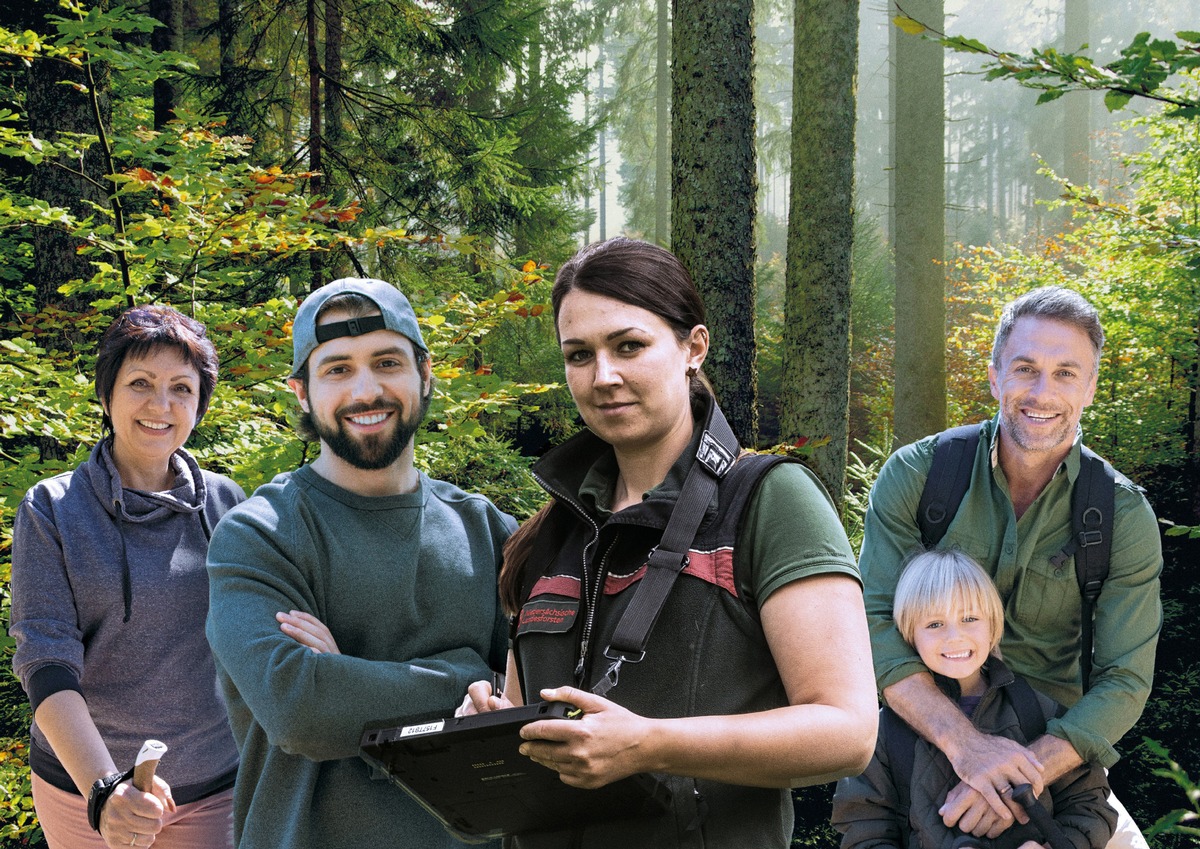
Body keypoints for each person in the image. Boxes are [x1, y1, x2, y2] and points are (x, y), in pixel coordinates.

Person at [460, 237, 879, 848]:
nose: (604, 376)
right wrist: (493, 729)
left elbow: (847, 731)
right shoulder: (550, 532)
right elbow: (536, 723)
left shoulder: (767, 500)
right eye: (579, 355)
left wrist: (650, 745)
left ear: (693, 346)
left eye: (629, 345)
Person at [204, 278, 514, 849]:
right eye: (337, 369)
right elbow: (301, 708)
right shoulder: (259, 536)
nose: (366, 390)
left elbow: (534, 707)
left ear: (425, 372)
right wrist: (468, 676)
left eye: (387, 361)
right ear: (301, 391)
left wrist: (351, 679)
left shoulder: (488, 532)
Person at [858, 286, 1161, 847]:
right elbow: (873, 623)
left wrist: (1023, 772)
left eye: (1067, 373)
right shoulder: (919, 477)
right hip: (917, 752)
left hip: (1060, 767)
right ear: (996, 377)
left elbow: (1125, 678)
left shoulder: (1122, 514)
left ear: (1091, 387)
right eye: (1025, 368)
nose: (1043, 392)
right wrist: (967, 747)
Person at [10, 305, 245, 849]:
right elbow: (44, 662)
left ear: (199, 406)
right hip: (82, 791)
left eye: (181, 389)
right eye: (140, 382)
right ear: (107, 395)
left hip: (213, 790)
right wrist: (103, 790)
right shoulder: (53, 508)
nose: (160, 405)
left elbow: (257, 633)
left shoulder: (229, 504)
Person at [832, 548, 1117, 849]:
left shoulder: (1038, 711)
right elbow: (863, 828)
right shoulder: (884, 732)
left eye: (969, 618)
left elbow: (1090, 806)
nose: (954, 636)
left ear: (993, 626)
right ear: (907, 634)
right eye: (934, 624)